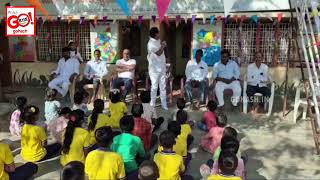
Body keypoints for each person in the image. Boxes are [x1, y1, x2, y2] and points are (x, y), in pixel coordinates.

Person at [147, 27, 168, 110]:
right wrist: (163, 45)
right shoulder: (150, 44)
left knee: (163, 87)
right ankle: (152, 105)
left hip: (162, 67)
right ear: (155, 34)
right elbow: (159, 53)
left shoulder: (158, 40)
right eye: (158, 33)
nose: (159, 34)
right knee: (154, 87)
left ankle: (164, 104)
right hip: (154, 69)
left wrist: (162, 45)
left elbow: (162, 52)